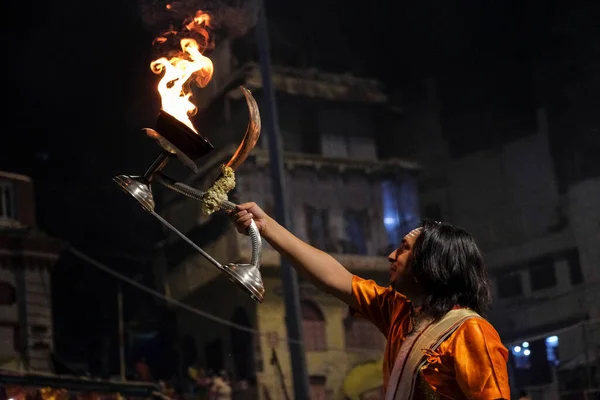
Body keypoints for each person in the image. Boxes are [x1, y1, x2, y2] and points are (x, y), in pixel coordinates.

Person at [229, 203, 510, 400]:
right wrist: (266, 227)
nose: (390, 255)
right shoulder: (400, 310)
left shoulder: (470, 332)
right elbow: (334, 277)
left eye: (403, 249)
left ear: (433, 263)